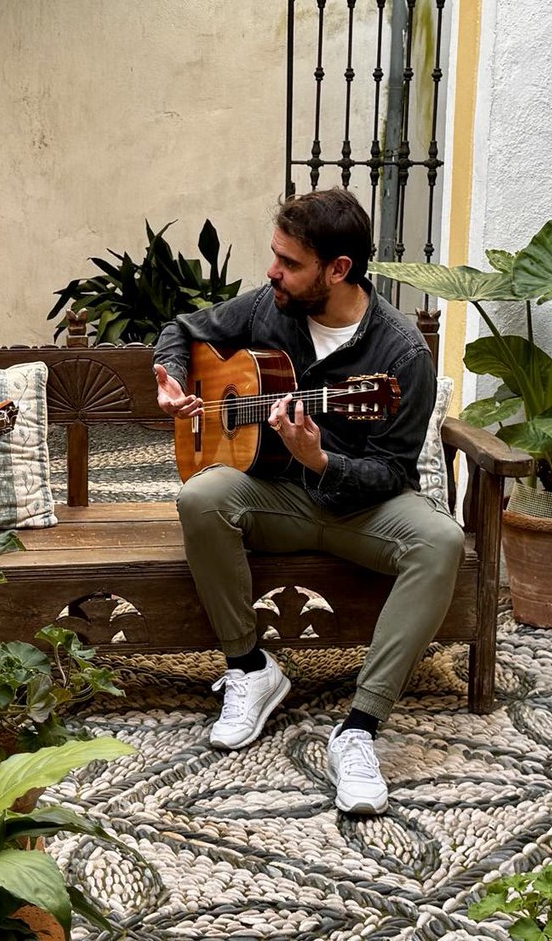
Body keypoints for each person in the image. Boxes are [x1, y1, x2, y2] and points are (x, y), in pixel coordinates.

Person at [152, 188, 464, 816]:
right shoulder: (271, 307)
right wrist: (175, 379)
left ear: (338, 269)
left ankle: (360, 730)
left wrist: (322, 459)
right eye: (275, 257)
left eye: (289, 263)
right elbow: (181, 329)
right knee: (201, 496)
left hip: (360, 511)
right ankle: (249, 666)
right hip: (278, 496)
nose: (272, 273)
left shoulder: (402, 354)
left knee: (442, 542)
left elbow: (392, 472)